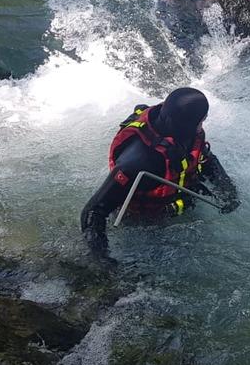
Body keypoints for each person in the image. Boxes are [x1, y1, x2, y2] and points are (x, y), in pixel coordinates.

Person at [80, 87, 239, 258]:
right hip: (143, 225)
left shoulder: (183, 127)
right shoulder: (139, 161)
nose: (202, 125)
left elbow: (204, 157)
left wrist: (227, 191)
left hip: (179, 204)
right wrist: (102, 260)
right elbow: (94, 211)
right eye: (202, 121)